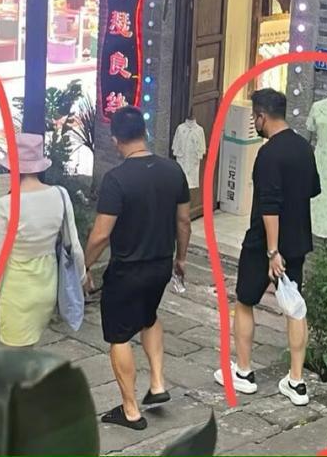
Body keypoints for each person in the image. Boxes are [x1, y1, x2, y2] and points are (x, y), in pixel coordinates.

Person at [84, 106, 191, 430]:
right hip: (160, 265)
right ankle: (157, 382)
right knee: (149, 317)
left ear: (116, 140)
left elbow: (101, 234)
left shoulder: (116, 180)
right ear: (144, 133)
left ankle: (130, 410)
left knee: (118, 336)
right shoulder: (173, 171)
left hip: (127, 270)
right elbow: (184, 221)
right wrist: (181, 258)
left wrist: (84, 265)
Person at [214, 88, 320, 406]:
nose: (254, 123)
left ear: (262, 116)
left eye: (254, 117)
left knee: (245, 301)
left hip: (264, 244)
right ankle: (297, 381)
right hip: (298, 240)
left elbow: (269, 206)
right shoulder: (304, 148)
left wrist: (273, 252)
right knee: (295, 308)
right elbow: (311, 190)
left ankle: (244, 373)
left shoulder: (268, 154)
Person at [0, 132, 84, 347]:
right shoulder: (60, 194)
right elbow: (75, 247)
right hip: (47, 287)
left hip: (17, 292)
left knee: (16, 361)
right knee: (29, 353)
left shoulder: (4, 205)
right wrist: (82, 278)